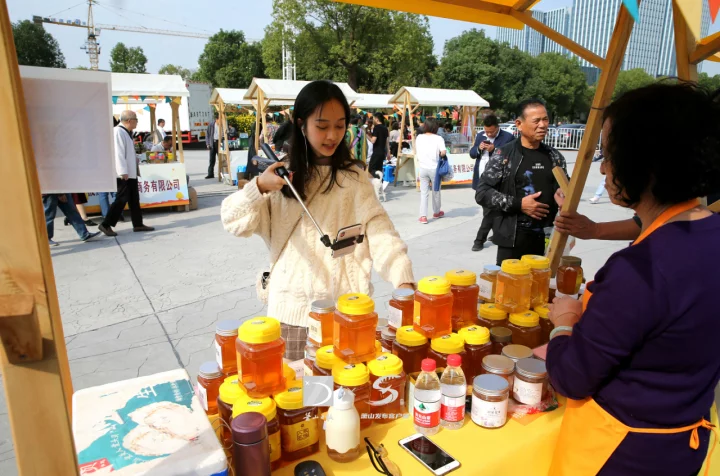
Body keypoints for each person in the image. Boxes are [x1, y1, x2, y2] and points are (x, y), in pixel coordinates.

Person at [546, 83, 720, 475]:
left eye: (608, 155)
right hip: (686, 445)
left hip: (623, 453)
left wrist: (564, 323)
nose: (604, 168)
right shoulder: (711, 233)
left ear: (643, 161)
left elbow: (571, 376)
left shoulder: (640, 270)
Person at [221, 80, 415, 361]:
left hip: (346, 315)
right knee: (297, 401)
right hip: (291, 319)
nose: (332, 135)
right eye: (322, 126)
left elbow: (382, 234)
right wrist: (258, 187)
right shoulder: (280, 178)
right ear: (301, 124)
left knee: (344, 399)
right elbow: (232, 220)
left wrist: (403, 278)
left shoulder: (356, 179)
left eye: (339, 126)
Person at [475, 99, 567, 265]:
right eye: (536, 121)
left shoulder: (555, 157)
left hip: (548, 239)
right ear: (519, 124)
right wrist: (519, 204)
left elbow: (565, 189)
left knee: (543, 288)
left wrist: (563, 195)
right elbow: (482, 193)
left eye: (545, 119)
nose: (543, 125)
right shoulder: (504, 155)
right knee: (510, 287)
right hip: (513, 238)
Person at [98, 110, 155, 236]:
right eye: (136, 120)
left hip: (130, 172)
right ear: (129, 120)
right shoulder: (118, 131)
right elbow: (118, 153)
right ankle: (106, 224)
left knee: (134, 199)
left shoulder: (127, 132)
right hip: (124, 174)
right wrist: (122, 171)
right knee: (121, 199)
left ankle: (138, 224)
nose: (137, 123)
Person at [469, 114, 515, 252]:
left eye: (492, 132)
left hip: (498, 180)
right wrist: (479, 148)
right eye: (487, 131)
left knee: (490, 210)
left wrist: (494, 150)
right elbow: (472, 153)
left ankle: (479, 240)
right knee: (489, 208)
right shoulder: (480, 135)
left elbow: (511, 156)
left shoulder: (508, 137)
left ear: (497, 128)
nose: (488, 134)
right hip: (482, 178)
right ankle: (496, 234)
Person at [416, 117, 447, 224]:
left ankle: (423, 216)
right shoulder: (438, 138)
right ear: (435, 127)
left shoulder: (419, 137)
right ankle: (436, 212)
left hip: (423, 168)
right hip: (435, 169)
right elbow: (443, 152)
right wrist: (439, 154)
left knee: (424, 193)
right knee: (436, 191)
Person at [368, 112, 389, 176]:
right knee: (379, 170)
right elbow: (386, 142)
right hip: (382, 153)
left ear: (377, 119)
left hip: (376, 152)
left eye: (373, 118)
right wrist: (388, 152)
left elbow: (373, 141)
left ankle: (374, 184)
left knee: (371, 170)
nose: (373, 120)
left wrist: (366, 135)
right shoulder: (385, 128)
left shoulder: (376, 127)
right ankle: (379, 184)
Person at [206, 114, 219, 179]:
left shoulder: (223, 125)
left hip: (219, 143)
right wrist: (208, 144)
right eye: (220, 120)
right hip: (212, 143)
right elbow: (207, 134)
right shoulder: (211, 125)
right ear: (216, 119)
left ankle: (222, 174)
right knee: (212, 159)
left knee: (221, 159)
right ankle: (210, 174)